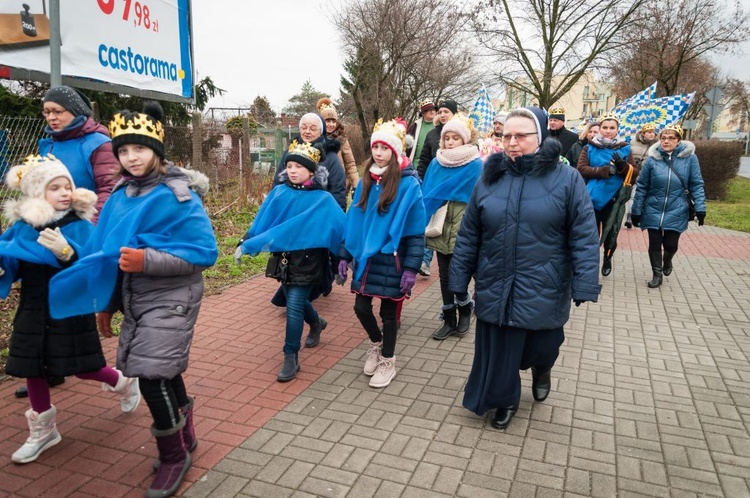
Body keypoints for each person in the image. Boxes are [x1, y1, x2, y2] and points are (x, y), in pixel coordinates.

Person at [47, 102, 218, 498]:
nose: (131, 157)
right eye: (123, 150)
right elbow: (107, 251)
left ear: (156, 149)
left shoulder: (178, 196)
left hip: (173, 295)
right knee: (164, 368)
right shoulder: (123, 194)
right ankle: (186, 434)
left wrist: (145, 259)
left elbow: (203, 252)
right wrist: (106, 302)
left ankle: (173, 455)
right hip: (136, 296)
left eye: (138, 149)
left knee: (151, 373)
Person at [450, 107, 600, 430]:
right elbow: (469, 233)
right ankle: (505, 399)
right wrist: (458, 278)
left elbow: (585, 233)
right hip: (496, 280)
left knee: (544, 345)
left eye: (521, 136)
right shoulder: (490, 177)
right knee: (504, 348)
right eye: (507, 136)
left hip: (545, 281)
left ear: (540, 137)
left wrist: (586, 282)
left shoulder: (567, 178)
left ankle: (542, 368)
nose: (512, 142)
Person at [0, 155, 140, 464]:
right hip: (34, 307)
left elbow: (95, 262)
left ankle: (122, 381)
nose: (65, 193)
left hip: (69, 307)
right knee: (32, 367)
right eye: (55, 188)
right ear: (38, 194)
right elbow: (11, 260)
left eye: (68, 186)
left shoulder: (79, 226)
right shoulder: (23, 228)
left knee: (82, 365)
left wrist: (66, 253)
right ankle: (43, 430)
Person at [13, 85, 119, 399]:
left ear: (77, 111)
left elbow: (108, 188)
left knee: (69, 298)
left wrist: (88, 226)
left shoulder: (98, 144)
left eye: (58, 111)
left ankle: (81, 363)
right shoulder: (49, 144)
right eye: (47, 112)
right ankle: (44, 368)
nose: (52, 117)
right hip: (46, 229)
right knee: (38, 298)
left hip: (79, 229)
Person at [235, 140, 345, 381]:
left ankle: (290, 357)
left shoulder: (323, 200)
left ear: (312, 171)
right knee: (292, 299)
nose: (292, 170)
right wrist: (246, 242)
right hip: (283, 260)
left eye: (298, 166)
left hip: (309, 260)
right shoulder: (280, 192)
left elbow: (341, 228)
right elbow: (262, 221)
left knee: (294, 305)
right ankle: (317, 323)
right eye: (290, 165)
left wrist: (344, 258)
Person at [337, 118, 425, 388]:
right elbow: (354, 220)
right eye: (375, 146)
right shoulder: (365, 181)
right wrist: (343, 254)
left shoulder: (408, 185)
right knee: (360, 307)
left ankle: (388, 360)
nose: (378, 152)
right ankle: (375, 344)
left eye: (384, 148)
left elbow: (415, 230)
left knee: (389, 314)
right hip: (366, 257)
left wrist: (411, 268)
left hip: (394, 257)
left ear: (396, 151)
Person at [421, 114, 482, 340]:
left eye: (455, 138)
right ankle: (449, 319)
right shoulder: (437, 162)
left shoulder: (476, 165)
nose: (450, 142)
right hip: (440, 222)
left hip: (464, 224)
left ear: (465, 140)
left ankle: (465, 308)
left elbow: (482, 198)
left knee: (460, 273)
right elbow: (428, 192)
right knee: (444, 275)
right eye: (447, 137)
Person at [630, 124, 706, 288]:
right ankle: (657, 275)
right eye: (663, 137)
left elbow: (697, 184)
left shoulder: (690, 159)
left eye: (671, 138)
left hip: (677, 207)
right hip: (653, 207)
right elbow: (642, 186)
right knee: (654, 243)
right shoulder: (652, 160)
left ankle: (668, 260)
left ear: (679, 141)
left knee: (671, 244)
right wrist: (635, 210)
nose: (666, 141)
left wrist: (700, 207)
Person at [576, 113, 638, 277]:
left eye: (612, 128)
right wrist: (603, 170)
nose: (608, 131)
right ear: (599, 129)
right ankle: (590, 265)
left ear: (617, 130)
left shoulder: (625, 148)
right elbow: (581, 169)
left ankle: (608, 257)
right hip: (592, 198)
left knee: (611, 235)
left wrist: (622, 166)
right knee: (590, 235)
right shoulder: (589, 147)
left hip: (615, 199)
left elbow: (634, 173)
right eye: (605, 127)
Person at [273, 112, 347, 210]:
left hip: (319, 213)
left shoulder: (331, 157)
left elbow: (338, 192)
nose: (307, 131)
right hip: (289, 209)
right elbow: (278, 183)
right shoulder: (290, 152)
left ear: (321, 131)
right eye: (303, 128)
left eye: (313, 129)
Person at [417, 99, 457, 277]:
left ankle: (452, 259)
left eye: (446, 112)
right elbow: (425, 160)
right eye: (440, 112)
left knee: (447, 224)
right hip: (434, 185)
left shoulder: (461, 133)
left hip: (456, 188)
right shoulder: (433, 135)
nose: (442, 115)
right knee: (431, 221)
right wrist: (420, 180)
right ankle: (425, 261)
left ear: (454, 114)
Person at [317, 97, 360, 194]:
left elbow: (350, 164)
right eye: (328, 121)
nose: (331, 124)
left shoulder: (342, 140)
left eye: (333, 121)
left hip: (339, 186)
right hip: (320, 187)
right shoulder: (315, 139)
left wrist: (356, 186)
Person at [624, 123, 658, 229]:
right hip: (635, 174)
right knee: (633, 195)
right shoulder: (633, 143)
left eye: (652, 132)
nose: (651, 134)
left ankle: (642, 215)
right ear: (643, 134)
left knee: (645, 196)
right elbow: (628, 157)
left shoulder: (658, 145)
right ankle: (630, 215)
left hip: (648, 175)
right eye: (649, 132)